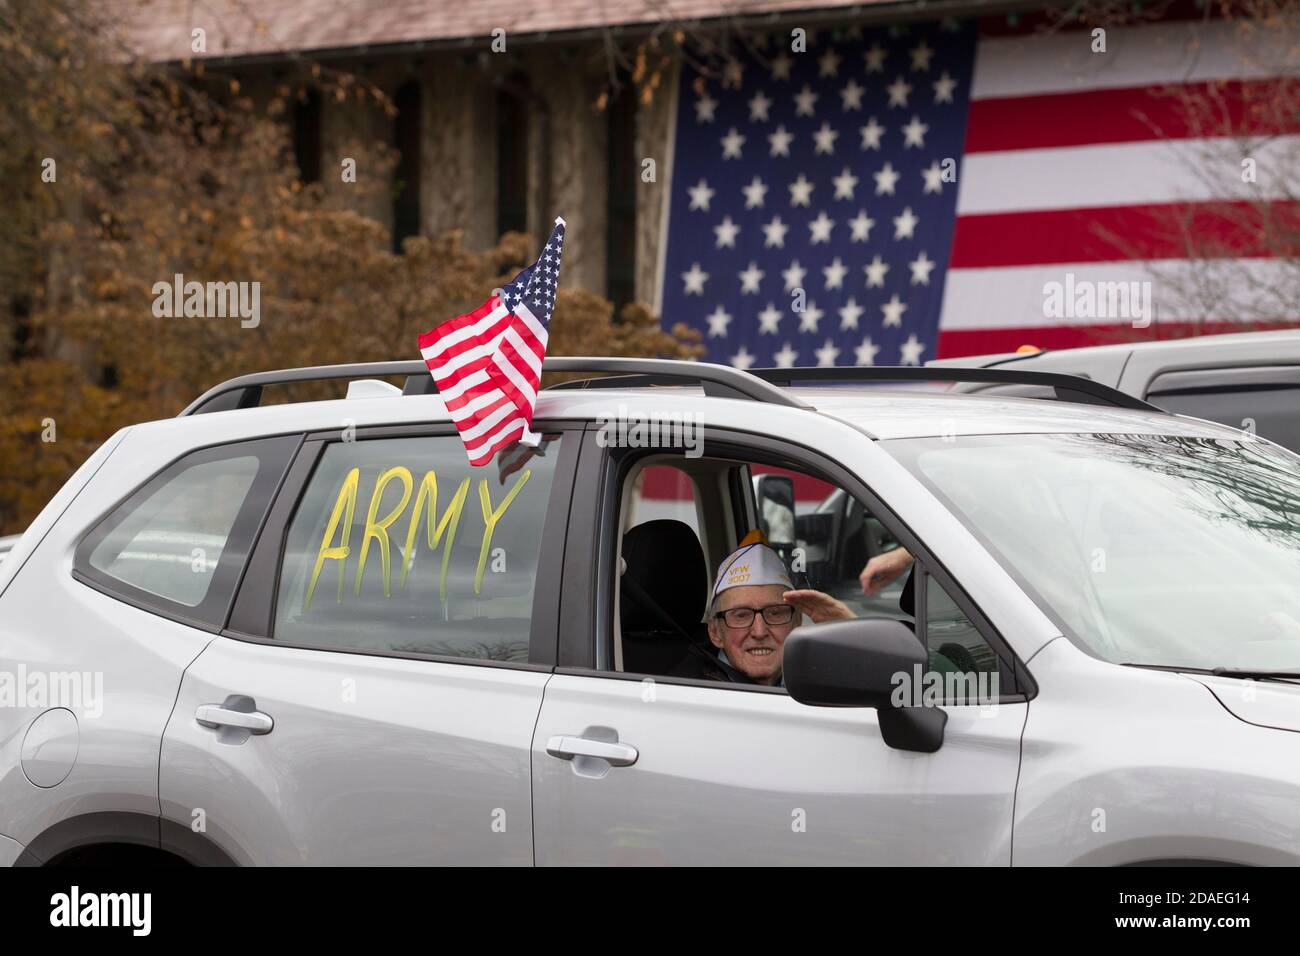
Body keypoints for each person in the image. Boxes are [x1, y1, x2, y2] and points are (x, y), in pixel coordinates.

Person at [680, 537, 854, 686]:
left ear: (797, 622)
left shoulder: (821, 678)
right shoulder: (684, 694)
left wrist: (851, 641)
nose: (759, 631)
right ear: (715, 632)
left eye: (775, 613)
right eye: (741, 615)